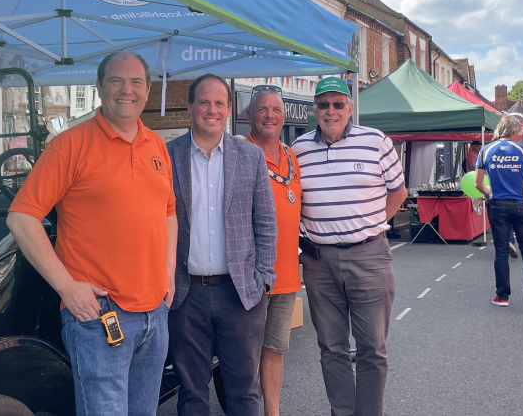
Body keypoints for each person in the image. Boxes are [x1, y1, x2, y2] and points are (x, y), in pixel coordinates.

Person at [6, 51, 177, 416]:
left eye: (135, 82)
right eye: (116, 80)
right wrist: (66, 287)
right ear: (99, 87)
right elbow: (21, 217)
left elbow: (168, 212)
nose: (126, 90)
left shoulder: (156, 146)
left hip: (154, 314)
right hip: (98, 316)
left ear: (148, 91)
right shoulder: (68, 146)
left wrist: (167, 273)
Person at [292, 76, 406, 416]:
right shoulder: (298, 149)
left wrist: (367, 227)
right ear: (314, 110)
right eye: (323, 105)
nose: (331, 111)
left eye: (338, 104)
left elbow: (398, 192)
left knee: (373, 348)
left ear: (350, 107)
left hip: (369, 256)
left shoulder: (376, 141)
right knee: (331, 347)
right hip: (319, 262)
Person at [166, 74, 277, 416]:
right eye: (203, 102)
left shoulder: (250, 156)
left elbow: (266, 223)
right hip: (186, 295)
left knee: (244, 392)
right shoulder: (167, 156)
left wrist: (263, 279)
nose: (210, 110)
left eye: (218, 103)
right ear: (190, 107)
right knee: (192, 393)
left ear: (229, 109)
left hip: (240, 293)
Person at [244, 85, 302, 416]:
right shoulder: (239, 154)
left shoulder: (292, 156)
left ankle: (273, 412)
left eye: (276, 109)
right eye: (263, 109)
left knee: (275, 349)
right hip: (251, 275)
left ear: (284, 116)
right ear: (249, 114)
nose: (270, 115)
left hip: (286, 274)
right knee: (245, 352)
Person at [475, 116, 523, 310]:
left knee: (500, 251)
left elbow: (477, 184)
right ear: (514, 132)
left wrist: (489, 193)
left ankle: (502, 295)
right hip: (522, 204)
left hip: (497, 204)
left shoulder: (485, 150)